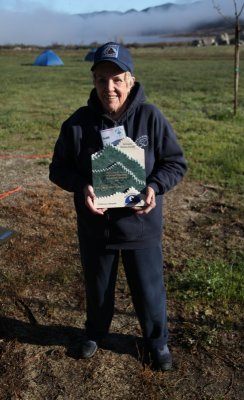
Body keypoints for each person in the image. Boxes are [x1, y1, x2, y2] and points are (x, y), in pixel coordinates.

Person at [49, 42, 187, 371]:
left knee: (149, 288)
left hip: (141, 225)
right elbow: (58, 168)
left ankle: (157, 341)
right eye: (100, 80)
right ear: (94, 82)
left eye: (116, 79)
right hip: (96, 226)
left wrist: (154, 187)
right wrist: (82, 186)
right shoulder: (78, 124)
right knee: (98, 287)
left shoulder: (151, 118)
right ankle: (96, 332)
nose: (108, 88)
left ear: (130, 80)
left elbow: (174, 163)